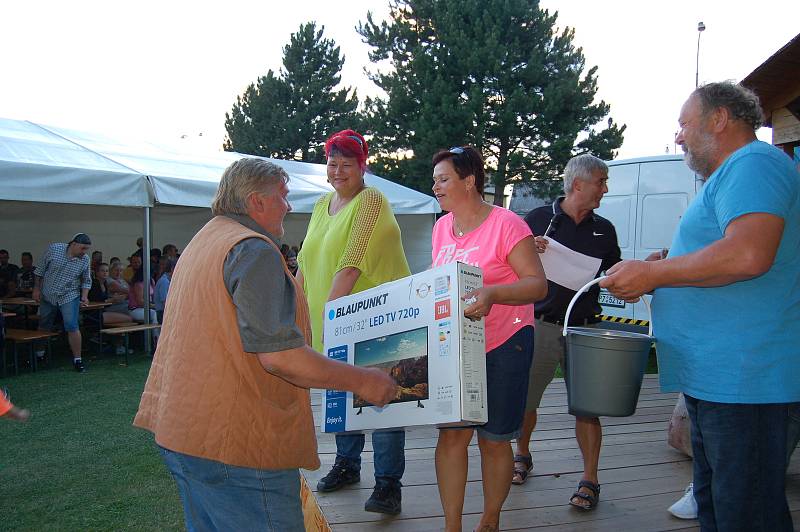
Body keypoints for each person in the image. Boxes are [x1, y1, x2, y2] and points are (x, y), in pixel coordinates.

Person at [133, 157, 397, 532]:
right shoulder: (252, 250)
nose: (288, 206)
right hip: (238, 446)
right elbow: (280, 357)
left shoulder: (207, 238)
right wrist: (365, 381)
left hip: (185, 431)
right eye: (283, 196)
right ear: (257, 201)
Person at [600, 82, 800, 531]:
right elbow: (730, 253)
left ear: (720, 119)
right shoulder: (742, 171)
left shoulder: (752, 164)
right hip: (724, 377)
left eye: (684, 125)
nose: (678, 137)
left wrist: (654, 275)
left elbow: (748, 255)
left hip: (747, 379)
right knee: (720, 507)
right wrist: (668, 267)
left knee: (746, 514)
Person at [430, 146, 547, 532]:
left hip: (505, 341)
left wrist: (493, 293)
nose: (436, 187)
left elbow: (536, 285)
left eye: (443, 179)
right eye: (435, 180)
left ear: (469, 181)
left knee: (494, 440)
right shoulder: (440, 227)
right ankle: (452, 526)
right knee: (452, 438)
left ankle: (490, 519)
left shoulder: (508, 224)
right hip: (457, 346)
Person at [297, 129, 412, 515]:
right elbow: (304, 266)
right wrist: (297, 313)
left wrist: (328, 319)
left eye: (348, 164)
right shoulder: (319, 205)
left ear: (363, 167)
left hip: (373, 320)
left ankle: (388, 485)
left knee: (382, 396)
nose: (338, 170)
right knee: (341, 393)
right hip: (334, 322)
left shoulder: (371, 201)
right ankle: (347, 464)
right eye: (333, 163)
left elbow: (350, 265)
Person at [512, 154, 621, 511]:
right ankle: (522, 455)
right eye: (601, 181)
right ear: (578, 185)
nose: (605, 188)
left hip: (585, 330)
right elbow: (510, 267)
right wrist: (529, 250)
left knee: (588, 408)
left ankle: (591, 478)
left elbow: (613, 274)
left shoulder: (605, 228)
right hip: (540, 326)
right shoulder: (538, 218)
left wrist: (641, 271)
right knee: (526, 401)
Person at [33, 233, 93, 372]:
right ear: (73, 244)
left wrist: (84, 296)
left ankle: (78, 360)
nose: (84, 252)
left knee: (71, 325)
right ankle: (39, 353)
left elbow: (86, 279)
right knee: (44, 323)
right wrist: (36, 289)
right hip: (48, 293)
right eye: (83, 248)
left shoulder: (85, 259)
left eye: (87, 249)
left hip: (69, 294)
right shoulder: (54, 249)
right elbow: (39, 270)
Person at [153, 258, 175, 323]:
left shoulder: (166, 280)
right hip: (162, 313)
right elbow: (164, 301)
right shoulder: (164, 281)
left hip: (164, 312)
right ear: (172, 269)